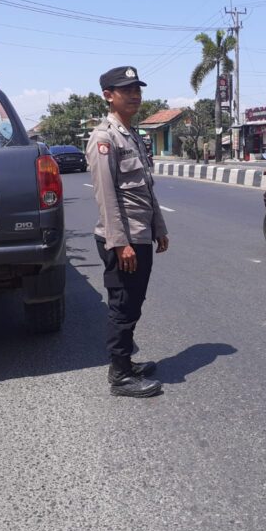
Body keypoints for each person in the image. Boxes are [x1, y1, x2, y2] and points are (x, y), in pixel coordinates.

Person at [87, 66, 168, 398]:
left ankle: (126, 364)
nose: (135, 95)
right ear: (109, 95)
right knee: (122, 305)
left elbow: (145, 190)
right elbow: (107, 196)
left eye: (137, 89)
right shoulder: (103, 138)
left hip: (140, 235)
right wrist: (120, 243)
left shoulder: (132, 135)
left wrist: (159, 228)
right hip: (123, 238)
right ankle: (120, 376)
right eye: (126, 90)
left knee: (133, 302)